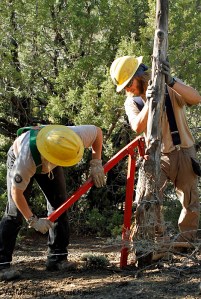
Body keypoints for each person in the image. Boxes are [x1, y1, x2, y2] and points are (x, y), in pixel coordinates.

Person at [110, 55, 201, 244]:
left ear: (139, 75)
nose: (128, 89)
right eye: (125, 86)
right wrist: (150, 102)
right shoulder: (133, 102)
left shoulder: (167, 85)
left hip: (184, 151)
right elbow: (137, 126)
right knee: (150, 201)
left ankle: (186, 243)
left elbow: (195, 98)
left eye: (129, 83)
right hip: (157, 157)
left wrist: (171, 81)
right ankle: (159, 242)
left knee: (190, 202)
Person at [0, 124, 106, 278]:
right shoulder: (25, 160)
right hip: (24, 155)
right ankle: (2, 265)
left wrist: (96, 163)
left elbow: (97, 132)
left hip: (51, 156)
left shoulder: (73, 137)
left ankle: (57, 259)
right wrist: (33, 220)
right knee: (13, 213)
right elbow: (17, 193)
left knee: (60, 205)